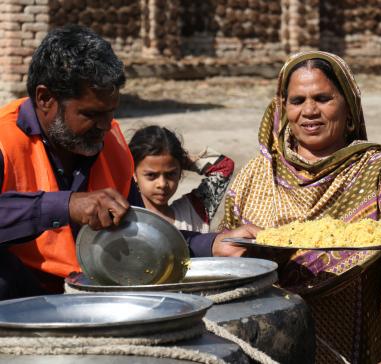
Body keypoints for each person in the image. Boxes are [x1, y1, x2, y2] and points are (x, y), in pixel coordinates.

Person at [219, 51, 381, 363]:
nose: (309, 111)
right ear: (282, 108)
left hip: (354, 340)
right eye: (297, 100)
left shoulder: (375, 168)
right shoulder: (256, 175)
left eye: (323, 98)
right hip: (270, 341)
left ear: (349, 107)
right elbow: (227, 251)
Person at [0, 25, 251, 301]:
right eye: (91, 114)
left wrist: (213, 245)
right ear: (45, 99)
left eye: (111, 112)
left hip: (88, 296)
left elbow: (139, 233)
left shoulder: (112, 144)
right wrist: (66, 205)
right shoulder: (4, 138)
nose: (106, 125)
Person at [129, 125, 234, 233]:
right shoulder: (125, 217)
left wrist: (181, 159)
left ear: (180, 173)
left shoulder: (194, 211)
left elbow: (225, 167)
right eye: (151, 175)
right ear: (134, 174)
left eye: (170, 174)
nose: (162, 184)